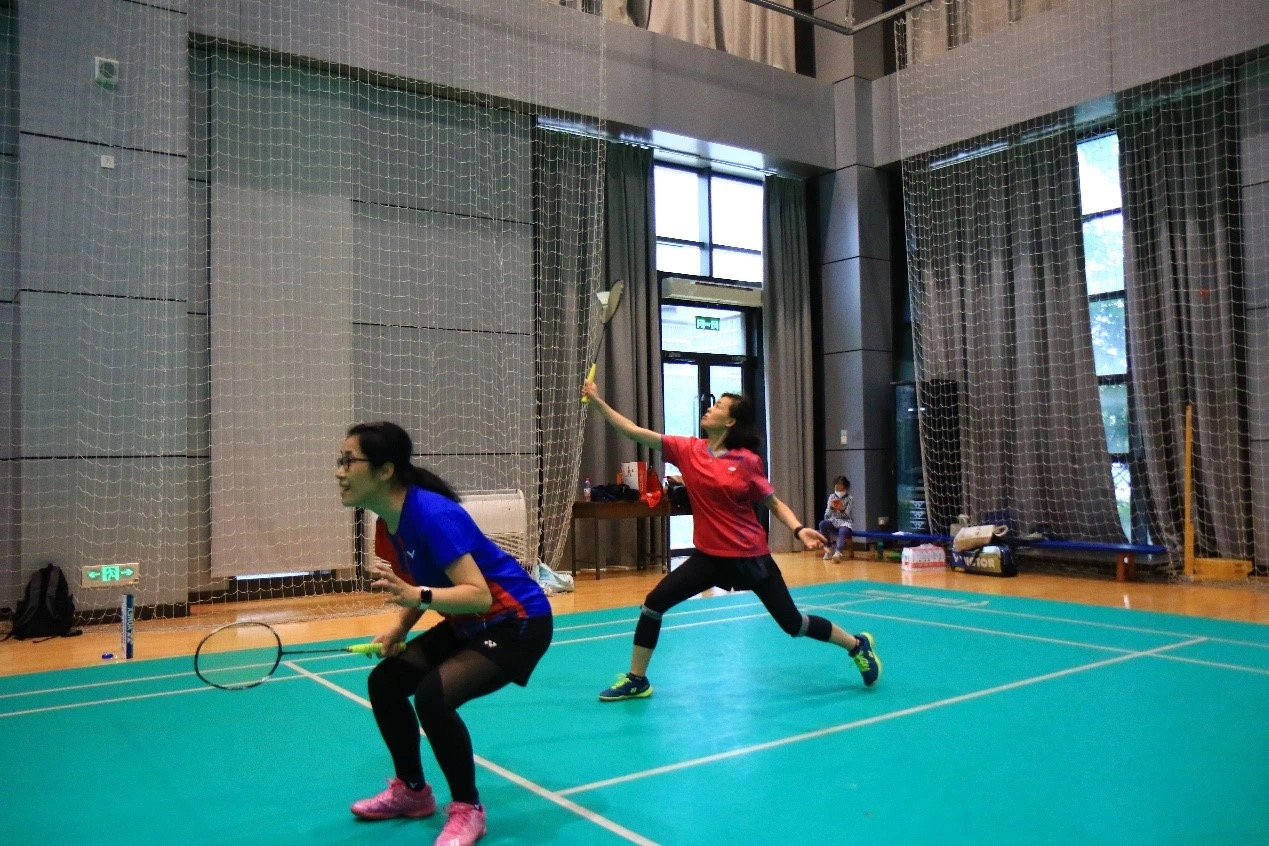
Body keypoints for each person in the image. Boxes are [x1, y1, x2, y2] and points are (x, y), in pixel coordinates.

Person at [580, 379, 882, 701]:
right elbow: (632, 431)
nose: (709, 409)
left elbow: (773, 503)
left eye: (718, 406)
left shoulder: (747, 461)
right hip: (709, 558)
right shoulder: (688, 450)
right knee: (653, 604)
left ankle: (856, 645)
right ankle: (637, 679)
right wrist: (597, 401)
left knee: (792, 623)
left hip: (750, 557)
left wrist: (798, 529)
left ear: (730, 422)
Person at [336, 421, 553, 846]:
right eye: (339, 462)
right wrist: (399, 627)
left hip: (518, 621)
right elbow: (424, 584)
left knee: (433, 697)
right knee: (386, 683)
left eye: (349, 461)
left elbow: (477, 594)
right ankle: (413, 792)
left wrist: (415, 595)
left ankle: (469, 809)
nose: (339, 472)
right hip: (468, 621)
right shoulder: (387, 524)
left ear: (385, 470)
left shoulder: (434, 515)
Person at [818, 476, 854, 561]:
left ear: (845, 488)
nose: (838, 490)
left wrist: (841, 510)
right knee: (822, 524)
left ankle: (838, 552)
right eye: (837, 487)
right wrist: (831, 509)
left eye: (841, 488)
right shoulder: (832, 497)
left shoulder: (850, 499)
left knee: (843, 530)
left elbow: (848, 514)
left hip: (845, 522)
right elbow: (827, 514)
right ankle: (828, 547)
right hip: (833, 521)